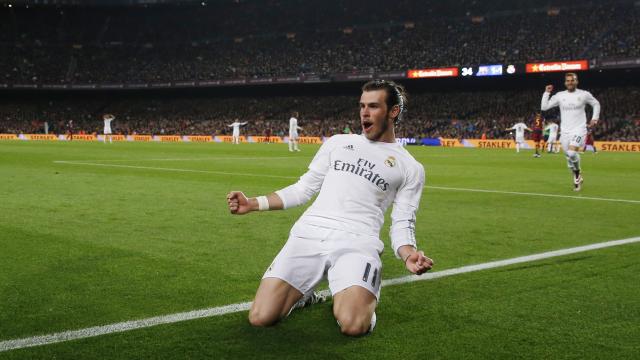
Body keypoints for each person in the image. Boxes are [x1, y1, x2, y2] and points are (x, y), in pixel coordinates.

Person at [226, 80, 433, 336]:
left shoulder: (410, 167)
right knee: (260, 317)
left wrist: (408, 253)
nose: (364, 113)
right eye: (362, 106)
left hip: (358, 242)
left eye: (373, 106)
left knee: (354, 325)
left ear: (393, 112)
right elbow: (304, 189)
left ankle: (354, 297)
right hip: (309, 233)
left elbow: (403, 221)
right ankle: (305, 296)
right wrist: (254, 203)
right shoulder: (337, 142)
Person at [541, 72, 600, 191]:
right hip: (565, 131)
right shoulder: (560, 95)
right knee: (569, 156)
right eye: (568, 81)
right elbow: (544, 107)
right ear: (565, 83)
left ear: (576, 81)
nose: (570, 83)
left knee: (572, 153)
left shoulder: (584, 94)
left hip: (579, 129)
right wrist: (546, 93)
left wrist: (594, 118)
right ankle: (576, 174)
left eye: (572, 80)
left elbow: (596, 104)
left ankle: (577, 174)